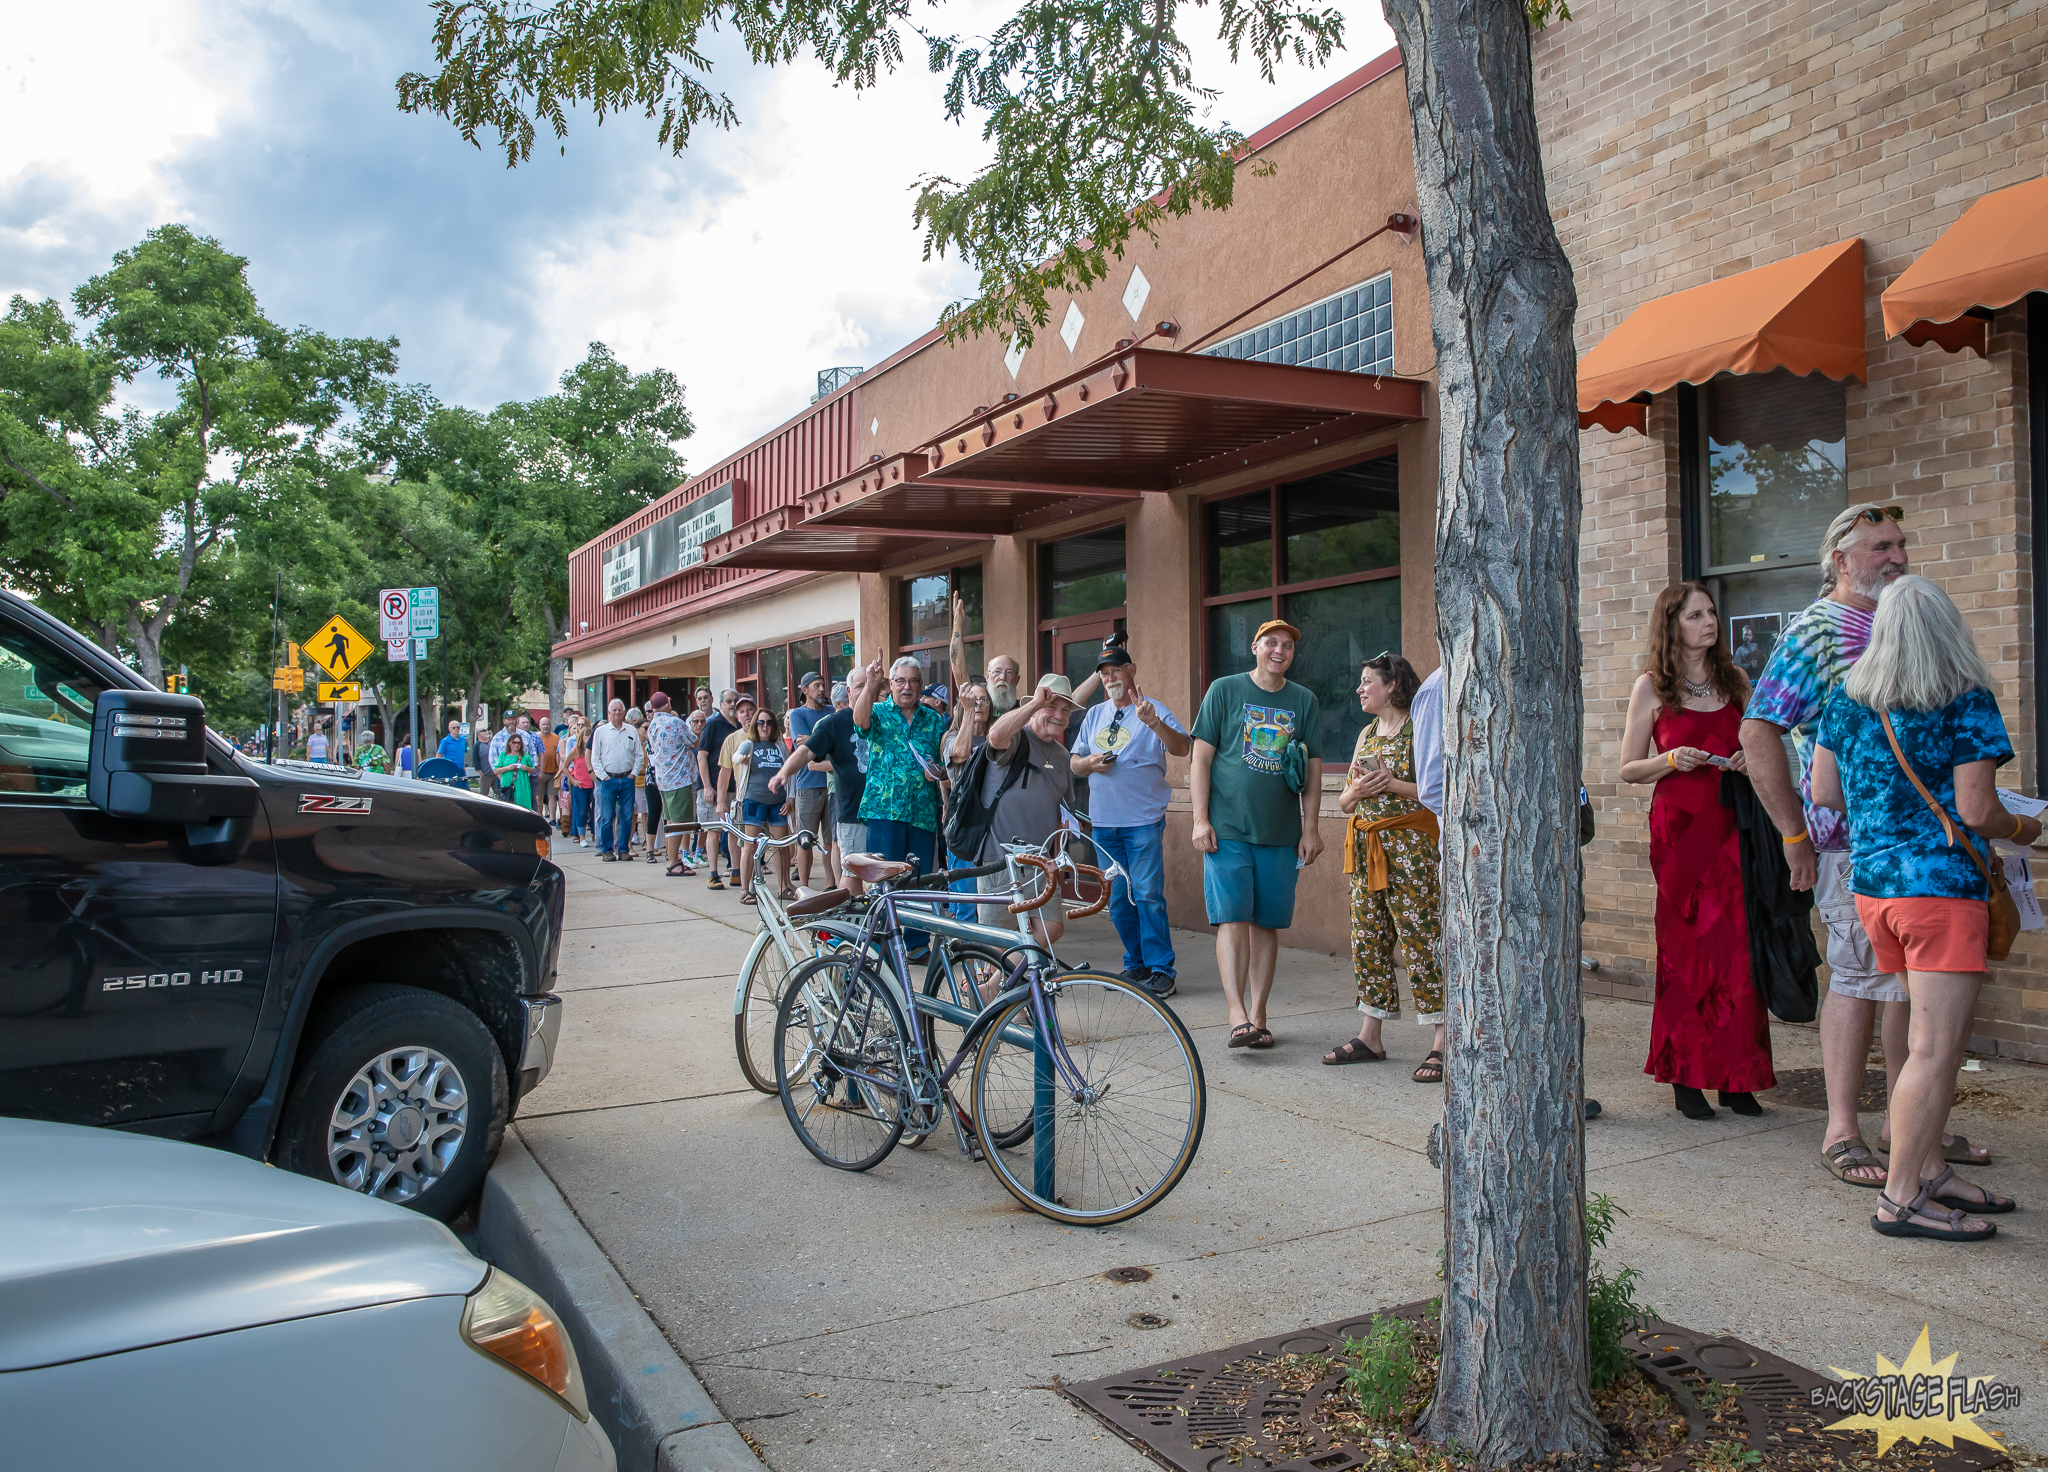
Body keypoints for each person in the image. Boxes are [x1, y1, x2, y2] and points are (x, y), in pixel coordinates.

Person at [1737, 504, 1988, 1183]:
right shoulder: (1818, 632)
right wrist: (1793, 832)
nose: (1898, 557)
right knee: (1856, 979)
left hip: (1915, 852)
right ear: (1841, 560)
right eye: (1881, 547)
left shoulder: (1895, 624)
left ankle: (1911, 1129)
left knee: (1906, 992)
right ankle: (1842, 1127)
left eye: (1902, 544)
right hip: (1853, 849)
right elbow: (1758, 731)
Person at [1810, 575, 2028, 1239]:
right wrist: (2026, 831)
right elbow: (1977, 810)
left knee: (1931, 1043)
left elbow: (1824, 790)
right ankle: (1901, 1199)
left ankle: (1929, 1171)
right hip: (1939, 894)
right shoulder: (1966, 699)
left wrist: (1890, 815)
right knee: (1936, 1050)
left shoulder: (1848, 700)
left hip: (1875, 890)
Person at [1620, 583, 1775, 1118]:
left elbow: (1765, 749)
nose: (1708, 622)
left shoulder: (1736, 682)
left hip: (1732, 824)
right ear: (1672, 624)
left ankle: (1737, 1078)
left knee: (1736, 949)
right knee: (1687, 951)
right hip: (1681, 830)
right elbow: (1628, 768)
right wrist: (1671, 760)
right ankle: (1684, 1076)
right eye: (1695, 615)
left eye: (1712, 613)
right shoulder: (1652, 688)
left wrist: (1747, 762)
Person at [1190, 618, 1323, 1049]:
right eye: (1271, 643)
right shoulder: (1225, 691)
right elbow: (1201, 760)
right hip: (1227, 830)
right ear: (1255, 647)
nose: (1279, 650)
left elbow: (1314, 770)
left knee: (1266, 924)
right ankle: (1236, 1014)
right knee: (1233, 918)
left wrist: (1310, 829)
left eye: (1287, 645)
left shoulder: (1303, 700)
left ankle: (1259, 1015)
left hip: (1280, 834)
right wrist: (1199, 819)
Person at [1323, 652, 1447, 1080]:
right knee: (1367, 940)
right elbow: (1342, 801)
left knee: (1422, 940)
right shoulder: (1367, 733)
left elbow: (1441, 791)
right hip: (1366, 849)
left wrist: (1392, 784)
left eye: (1366, 681)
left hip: (1412, 850)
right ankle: (1370, 1036)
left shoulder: (1420, 726)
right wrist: (1358, 790)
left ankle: (1442, 1041)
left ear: (1391, 684)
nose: (1359, 689)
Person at [1069, 642, 1188, 999]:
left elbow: (1182, 748)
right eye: (1105, 674)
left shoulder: (1153, 709)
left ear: (1132, 670)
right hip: (1104, 823)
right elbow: (1074, 762)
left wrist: (1153, 723)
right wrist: (1090, 764)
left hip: (1143, 820)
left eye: (1116, 671)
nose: (1110, 678)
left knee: (1149, 894)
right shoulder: (1094, 715)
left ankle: (1161, 970)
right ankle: (1135, 962)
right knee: (1119, 898)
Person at [955, 674, 1079, 951]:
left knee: (1051, 928)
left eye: (1065, 709)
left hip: (1041, 862)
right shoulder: (1016, 738)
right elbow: (995, 735)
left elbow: (1063, 810)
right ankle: (995, 990)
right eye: (1052, 707)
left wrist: (1059, 855)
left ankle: (996, 986)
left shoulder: (1061, 755)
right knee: (998, 937)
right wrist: (1035, 703)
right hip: (1000, 860)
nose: (1058, 715)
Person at [851, 650, 948, 941]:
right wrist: (870, 682)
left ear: (920, 685)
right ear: (891, 684)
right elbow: (859, 721)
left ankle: (916, 943)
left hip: (922, 811)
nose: (907, 687)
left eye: (913, 681)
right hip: (884, 809)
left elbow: (941, 762)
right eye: (900, 681)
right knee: (883, 880)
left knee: (917, 881)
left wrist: (939, 773)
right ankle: (880, 941)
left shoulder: (933, 719)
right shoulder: (878, 711)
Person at [772, 669, 870, 894]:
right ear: (848, 692)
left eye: (870, 684)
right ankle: (847, 923)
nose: (865, 690)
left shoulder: (885, 718)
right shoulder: (833, 722)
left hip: (885, 814)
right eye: (859, 686)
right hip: (852, 812)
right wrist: (784, 772)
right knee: (852, 874)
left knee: (880, 876)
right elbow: (807, 752)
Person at [734, 706, 794, 904]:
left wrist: (790, 798)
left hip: (778, 802)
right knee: (750, 846)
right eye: (761, 722)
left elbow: (790, 772)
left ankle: (784, 887)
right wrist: (742, 759)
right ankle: (745, 889)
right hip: (754, 800)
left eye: (769, 722)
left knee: (781, 846)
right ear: (755, 725)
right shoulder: (749, 744)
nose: (765, 726)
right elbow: (736, 756)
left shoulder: (779, 747)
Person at [786, 671, 833, 887]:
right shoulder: (798, 714)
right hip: (808, 786)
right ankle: (803, 888)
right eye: (816, 685)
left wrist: (815, 740)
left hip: (833, 784)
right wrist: (822, 741)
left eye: (823, 685)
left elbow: (824, 745)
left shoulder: (832, 712)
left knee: (831, 841)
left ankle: (832, 885)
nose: (822, 689)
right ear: (804, 690)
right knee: (805, 840)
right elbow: (804, 749)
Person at [644, 692, 699, 877]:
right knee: (679, 822)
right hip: (679, 778)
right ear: (668, 703)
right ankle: (673, 862)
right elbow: (693, 741)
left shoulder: (652, 726)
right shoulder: (675, 723)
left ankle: (672, 858)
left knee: (669, 821)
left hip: (663, 780)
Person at [698, 690, 744, 890]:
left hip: (736, 788)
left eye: (736, 701)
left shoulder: (742, 726)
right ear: (721, 703)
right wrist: (707, 786)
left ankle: (736, 872)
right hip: (715, 789)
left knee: (735, 831)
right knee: (714, 831)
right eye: (729, 701)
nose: (733, 704)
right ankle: (713, 874)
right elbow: (701, 757)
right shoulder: (713, 725)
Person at [589, 699, 639, 861]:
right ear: (608, 712)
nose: (617, 713)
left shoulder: (631, 730)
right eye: (614, 710)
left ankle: (623, 849)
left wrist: (633, 774)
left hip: (627, 779)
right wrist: (603, 776)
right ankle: (607, 850)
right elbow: (595, 756)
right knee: (607, 816)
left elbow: (639, 755)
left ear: (624, 712)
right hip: (608, 779)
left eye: (620, 710)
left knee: (626, 816)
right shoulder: (601, 731)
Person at [565, 714, 596, 846]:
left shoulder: (595, 750)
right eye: (586, 736)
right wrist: (573, 780)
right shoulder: (575, 751)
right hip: (580, 785)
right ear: (582, 737)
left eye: (590, 736)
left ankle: (595, 834)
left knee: (595, 811)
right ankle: (582, 837)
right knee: (581, 811)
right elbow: (564, 767)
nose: (588, 738)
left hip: (593, 784)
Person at [494, 732, 538, 810]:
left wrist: (526, 768)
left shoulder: (525, 755)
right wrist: (508, 768)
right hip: (507, 785)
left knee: (522, 807)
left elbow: (533, 771)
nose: (516, 745)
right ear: (510, 743)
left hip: (522, 786)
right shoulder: (503, 755)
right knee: (507, 807)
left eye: (518, 743)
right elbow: (496, 770)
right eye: (514, 742)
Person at [484, 709, 518, 799]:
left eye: (513, 719)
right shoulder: (497, 738)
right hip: (503, 775)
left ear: (516, 720)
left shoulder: (524, 735)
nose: (511, 721)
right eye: (508, 719)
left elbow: (531, 755)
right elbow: (492, 758)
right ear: (504, 721)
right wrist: (498, 773)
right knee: (504, 802)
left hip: (521, 776)